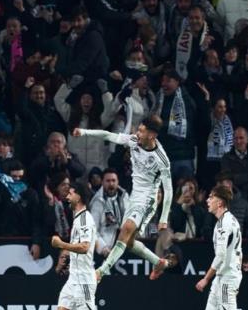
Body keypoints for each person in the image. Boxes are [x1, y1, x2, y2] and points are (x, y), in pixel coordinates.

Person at [38, 183, 142, 310]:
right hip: (74, 278)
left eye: (71, 193)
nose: (67, 196)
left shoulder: (85, 219)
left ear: (79, 196)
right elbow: (79, 247)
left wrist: (61, 244)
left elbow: (85, 247)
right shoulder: (77, 218)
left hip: (84, 280)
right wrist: (67, 257)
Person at [73, 115, 173, 281]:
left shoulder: (161, 159)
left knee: (125, 231)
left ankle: (101, 271)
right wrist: (84, 132)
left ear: (152, 135)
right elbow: (107, 135)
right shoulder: (133, 141)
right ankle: (158, 262)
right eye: (138, 129)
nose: (137, 133)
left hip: (148, 200)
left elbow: (168, 189)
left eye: (142, 131)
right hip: (134, 197)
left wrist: (163, 217)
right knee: (130, 242)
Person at [89, 168, 129, 257]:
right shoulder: (97, 202)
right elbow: (92, 230)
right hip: (106, 251)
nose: (111, 184)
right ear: (102, 182)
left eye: (113, 180)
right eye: (108, 181)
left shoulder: (125, 197)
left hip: (125, 247)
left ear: (118, 182)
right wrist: (103, 248)